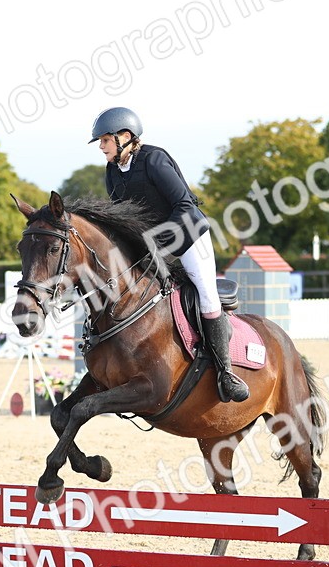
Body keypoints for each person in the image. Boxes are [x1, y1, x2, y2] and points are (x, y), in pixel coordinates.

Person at [88, 106, 249, 403]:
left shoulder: (154, 159)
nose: (101, 146)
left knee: (205, 292)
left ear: (125, 137)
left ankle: (225, 372)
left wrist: (157, 243)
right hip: (152, 244)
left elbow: (185, 207)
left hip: (188, 235)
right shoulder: (112, 172)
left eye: (105, 140)